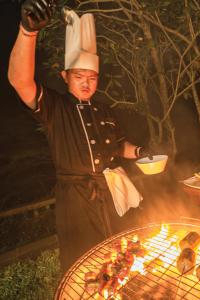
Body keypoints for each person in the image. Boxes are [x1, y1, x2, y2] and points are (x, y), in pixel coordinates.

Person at [8, 0, 149, 272]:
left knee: (121, 252)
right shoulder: (55, 107)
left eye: (92, 77)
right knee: (83, 262)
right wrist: (28, 32)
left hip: (112, 190)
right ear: (65, 76)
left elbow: (120, 146)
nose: (86, 83)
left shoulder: (104, 109)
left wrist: (142, 152)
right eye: (79, 76)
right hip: (76, 199)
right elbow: (20, 81)